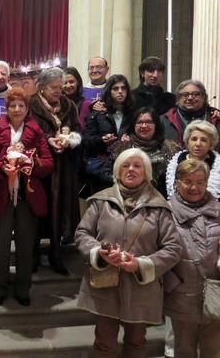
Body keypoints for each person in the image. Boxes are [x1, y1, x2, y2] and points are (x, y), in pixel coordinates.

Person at [74, 148, 181, 357]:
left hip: (141, 288)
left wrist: (141, 264)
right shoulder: (101, 201)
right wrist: (98, 253)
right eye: (125, 165)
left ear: (146, 172)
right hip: (106, 284)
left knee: (136, 343)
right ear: (118, 171)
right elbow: (82, 233)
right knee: (104, 343)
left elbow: (173, 248)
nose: (131, 169)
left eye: (137, 165)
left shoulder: (159, 206)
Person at [0, 88, 53, 307]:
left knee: (25, 246)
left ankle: (22, 289)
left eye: (21, 105)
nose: (17, 109)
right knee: (0, 247)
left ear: (27, 108)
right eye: (13, 105)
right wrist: (3, 168)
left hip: (27, 197)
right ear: (7, 108)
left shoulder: (36, 131)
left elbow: (48, 163)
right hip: (0, 194)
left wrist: (31, 163)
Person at [165, 159, 220, 357]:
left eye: (200, 182)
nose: (194, 187)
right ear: (177, 183)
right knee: (184, 350)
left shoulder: (218, 211)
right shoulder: (165, 213)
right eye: (188, 181)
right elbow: (156, 251)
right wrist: (172, 284)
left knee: (213, 350)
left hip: (215, 293)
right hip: (181, 296)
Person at [29, 67, 81, 275]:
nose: (59, 91)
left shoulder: (69, 105)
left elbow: (77, 129)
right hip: (39, 166)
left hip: (64, 166)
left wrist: (70, 140)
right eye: (54, 87)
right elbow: (27, 131)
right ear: (41, 87)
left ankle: (56, 254)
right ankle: (32, 255)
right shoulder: (31, 104)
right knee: (37, 210)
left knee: (60, 210)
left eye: (60, 87)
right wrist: (47, 139)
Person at [110, 107, 179, 198]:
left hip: (163, 199)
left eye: (149, 122)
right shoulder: (122, 147)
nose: (144, 126)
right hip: (128, 199)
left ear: (156, 125)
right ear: (133, 125)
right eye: (139, 122)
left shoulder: (171, 147)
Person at [82, 75, 135, 194]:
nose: (120, 92)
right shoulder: (98, 113)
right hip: (102, 169)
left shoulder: (133, 113)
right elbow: (86, 140)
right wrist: (102, 139)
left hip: (127, 167)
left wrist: (130, 140)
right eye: (115, 88)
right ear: (109, 91)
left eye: (123, 88)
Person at [166, 120, 220, 199]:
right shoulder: (174, 164)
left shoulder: (217, 165)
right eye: (194, 139)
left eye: (204, 140)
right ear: (187, 142)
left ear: (211, 144)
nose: (198, 144)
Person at [161, 80, 220, 147]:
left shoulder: (216, 117)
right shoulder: (164, 120)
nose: (190, 98)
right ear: (178, 98)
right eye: (185, 95)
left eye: (195, 94)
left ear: (203, 97)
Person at [79, 57, 109, 124]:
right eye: (91, 68)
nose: (94, 70)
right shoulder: (81, 91)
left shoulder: (112, 90)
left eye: (99, 67)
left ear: (107, 70)